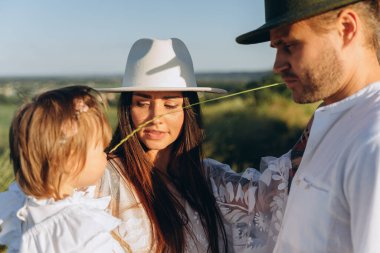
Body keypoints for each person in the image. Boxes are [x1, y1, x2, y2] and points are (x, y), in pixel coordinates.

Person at [97, 38, 292, 253]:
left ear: (188, 110)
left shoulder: (210, 178)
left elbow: (274, 194)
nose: (155, 117)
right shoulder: (102, 177)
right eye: (142, 103)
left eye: (170, 105)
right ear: (127, 108)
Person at [236, 0, 380, 252]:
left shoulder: (372, 140)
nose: (277, 65)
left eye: (289, 45)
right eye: (276, 48)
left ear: (346, 28)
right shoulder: (334, 120)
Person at [0, 86, 127, 252]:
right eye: (101, 149)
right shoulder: (81, 231)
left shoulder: (22, 202)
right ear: (70, 160)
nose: (106, 156)